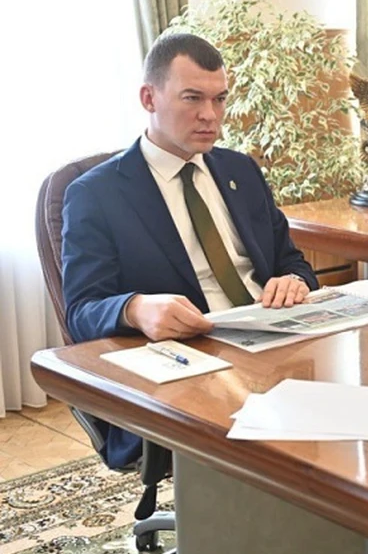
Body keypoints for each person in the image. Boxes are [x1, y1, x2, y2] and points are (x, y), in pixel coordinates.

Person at [61, 33, 319, 467]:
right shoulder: (96, 194)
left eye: (220, 99)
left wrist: (294, 281)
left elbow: (290, 260)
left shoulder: (241, 169)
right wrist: (136, 309)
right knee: (284, 452)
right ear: (149, 98)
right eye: (193, 98)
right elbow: (82, 310)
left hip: (275, 349)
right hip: (191, 371)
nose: (210, 115)